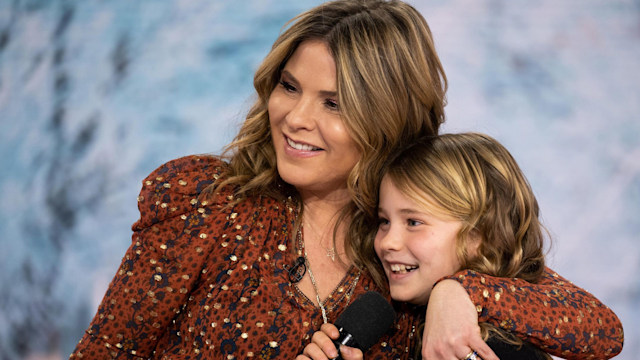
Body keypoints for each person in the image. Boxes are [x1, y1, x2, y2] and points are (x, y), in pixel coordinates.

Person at [69, 1, 623, 359]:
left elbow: (598, 331)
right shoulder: (207, 204)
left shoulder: (414, 250)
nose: (296, 117)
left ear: (388, 118)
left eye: (333, 102)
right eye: (289, 87)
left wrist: (463, 290)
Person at [299, 133, 624, 360]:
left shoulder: (483, 342)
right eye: (384, 221)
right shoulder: (399, 310)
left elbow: (606, 332)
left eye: (413, 222)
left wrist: (459, 288)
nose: (388, 242)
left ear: (478, 236)